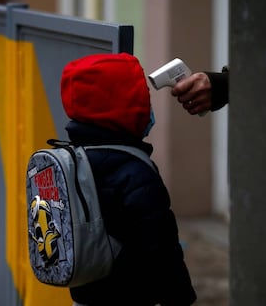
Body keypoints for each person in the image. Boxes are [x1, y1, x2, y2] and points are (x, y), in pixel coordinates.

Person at [60, 52, 197, 306]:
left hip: (85, 294)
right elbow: (162, 250)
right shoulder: (135, 173)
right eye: (144, 99)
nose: (150, 108)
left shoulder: (75, 160)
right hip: (132, 296)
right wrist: (180, 298)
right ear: (124, 109)